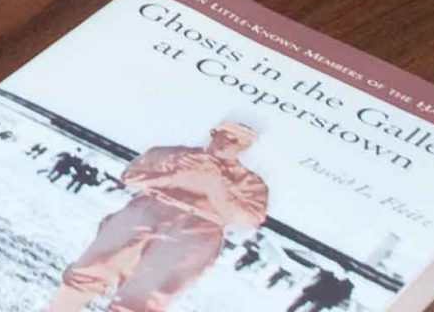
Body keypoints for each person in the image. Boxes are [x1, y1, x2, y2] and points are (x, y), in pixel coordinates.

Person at [42, 120, 270, 312]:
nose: (228, 143)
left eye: (236, 141)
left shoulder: (249, 182)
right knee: (89, 270)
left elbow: (251, 219)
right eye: (226, 135)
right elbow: (131, 176)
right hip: (149, 208)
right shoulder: (172, 154)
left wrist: (216, 187)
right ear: (214, 133)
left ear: (244, 147)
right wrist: (174, 176)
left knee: (142, 298)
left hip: (198, 229)